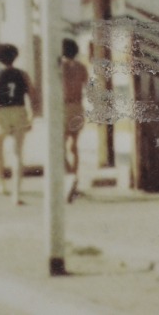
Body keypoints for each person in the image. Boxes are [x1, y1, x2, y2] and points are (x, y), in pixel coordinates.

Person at [0, 43, 36, 205]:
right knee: (17, 153)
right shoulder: (23, 74)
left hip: (1, 113)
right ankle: (16, 193)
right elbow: (33, 97)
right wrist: (32, 117)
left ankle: (2, 184)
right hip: (19, 111)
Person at [60, 38, 91, 201]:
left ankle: (70, 175)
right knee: (74, 145)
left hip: (63, 107)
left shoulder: (60, 67)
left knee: (60, 146)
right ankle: (74, 178)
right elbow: (88, 86)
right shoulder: (81, 67)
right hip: (78, 106)